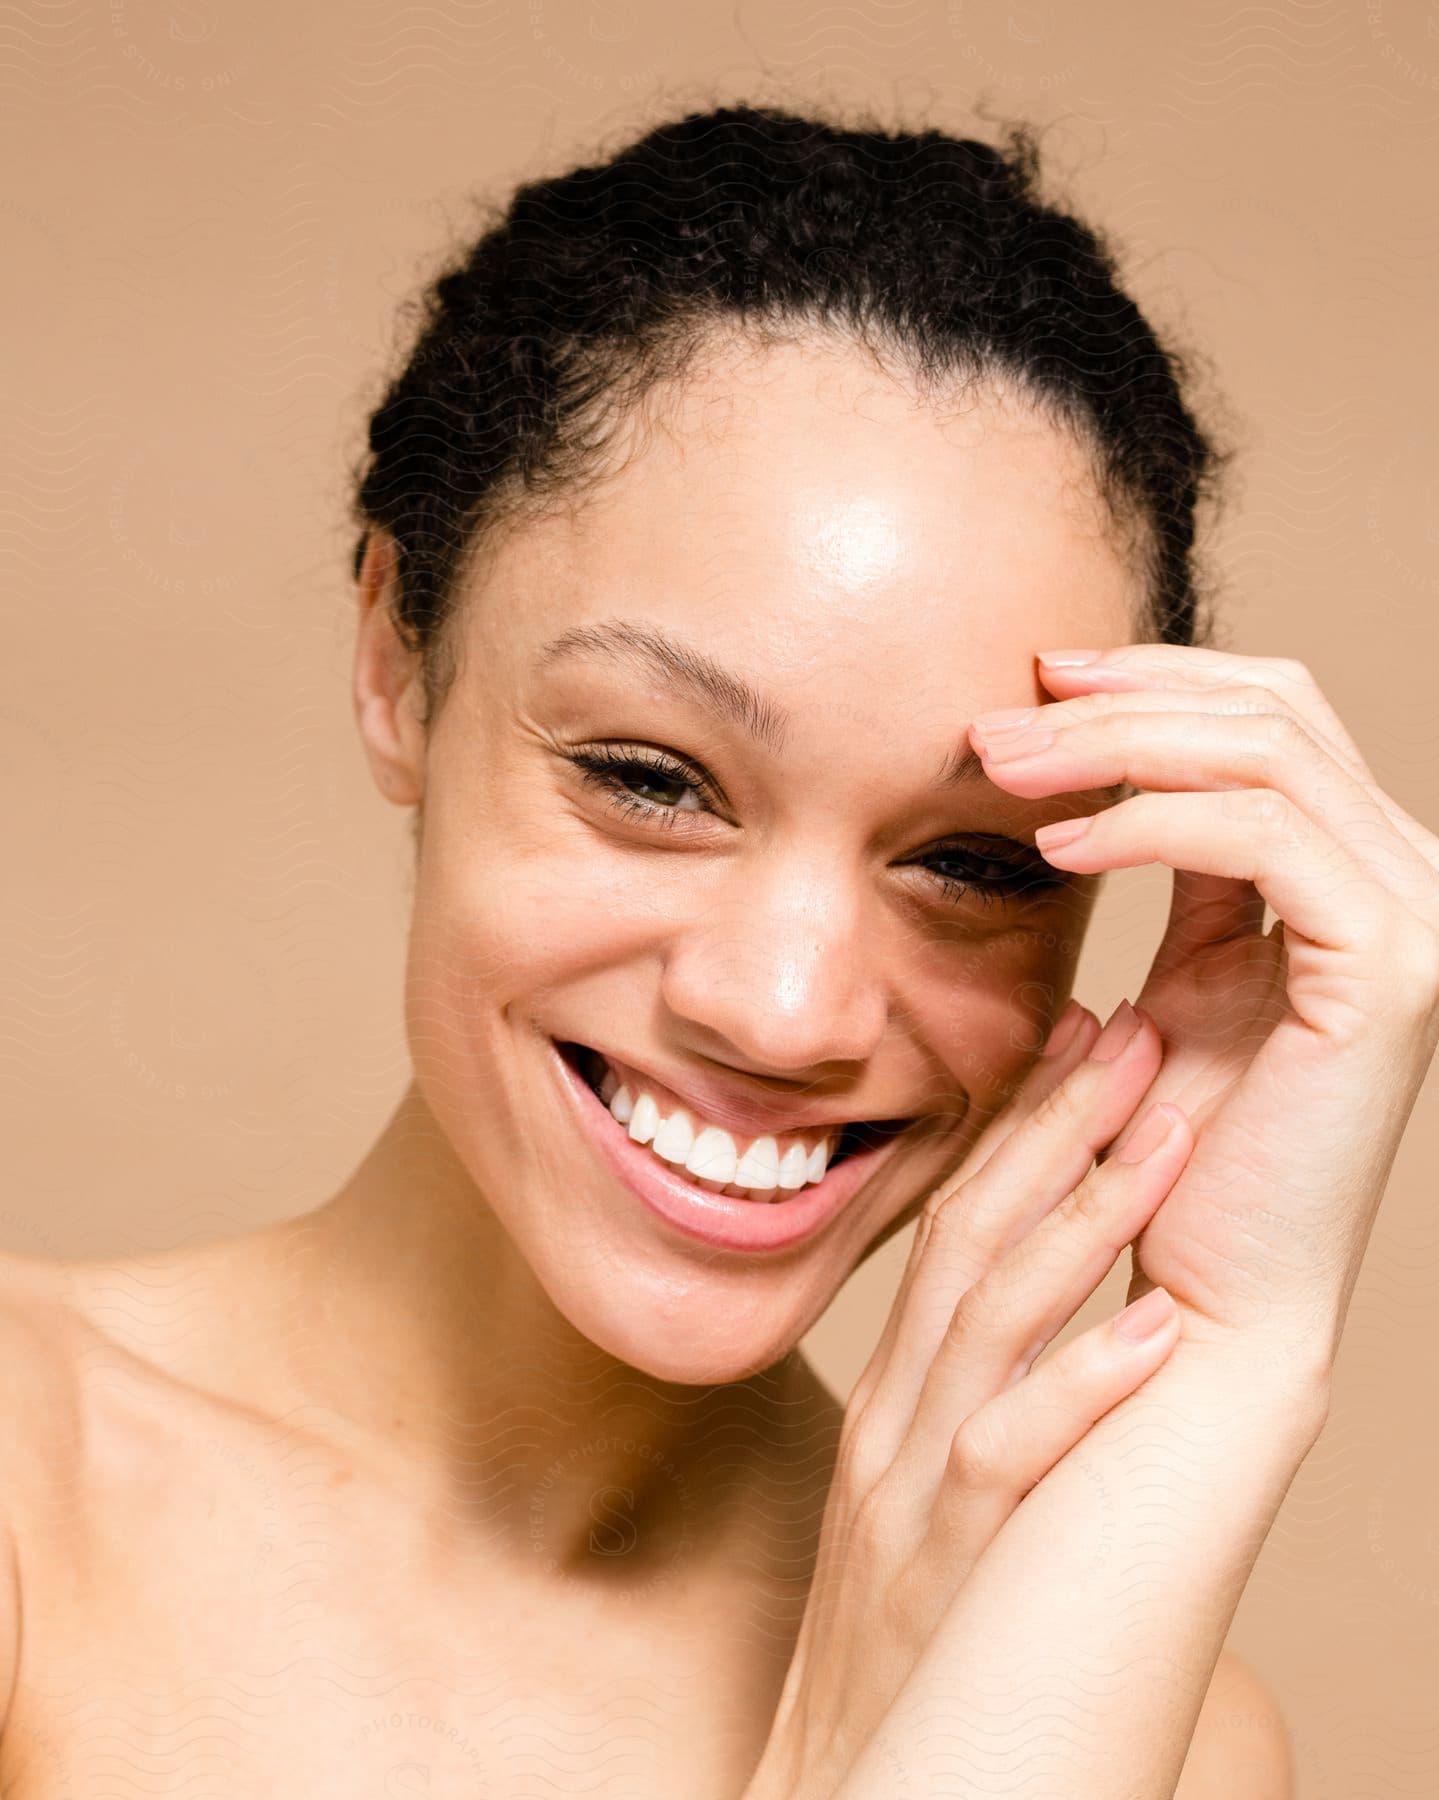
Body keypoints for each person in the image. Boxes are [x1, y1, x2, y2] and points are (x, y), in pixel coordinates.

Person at [2, 99, 1434, 1799]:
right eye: (649, 778)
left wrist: (1230, 1357)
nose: (785, 1007)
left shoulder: (1149, 1724)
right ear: (398, 657)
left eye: (971, 860)